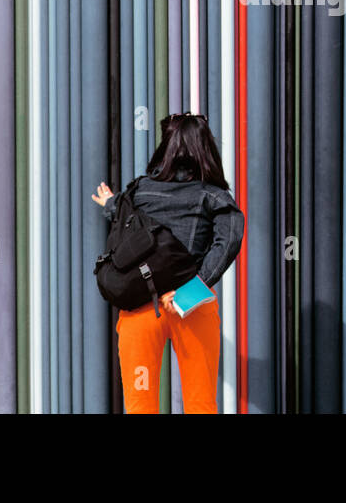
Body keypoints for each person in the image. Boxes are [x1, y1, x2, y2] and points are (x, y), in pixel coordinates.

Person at [92, 113, 244, 414]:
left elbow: (127, 221)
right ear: (206, 148)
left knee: (140, 406)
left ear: (167, 147)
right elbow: (227, 243)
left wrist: (111, 204)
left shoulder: (141, 190)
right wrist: (192, 290)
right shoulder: (213, 196)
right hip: (192, 307)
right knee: (201, 404)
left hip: (140, 307)